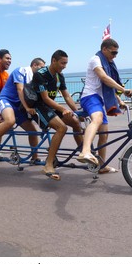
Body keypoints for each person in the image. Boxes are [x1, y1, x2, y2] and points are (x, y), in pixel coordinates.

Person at [77, 38, 132, 173]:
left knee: (104, 134)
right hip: (89, 96)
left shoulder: (108, 63)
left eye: (116, 54)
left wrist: (119, 100)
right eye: (113, 53)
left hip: (99, 99)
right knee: (97, 119)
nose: (115, 56)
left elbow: (107, 87)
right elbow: (103, 78)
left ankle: (101, 166)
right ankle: (85, 151)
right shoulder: (95, 59)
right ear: (104, 49)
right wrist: (123, 89)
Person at [0, 58, 46, 169]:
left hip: (19, 106)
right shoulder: (21, 70)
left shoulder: (36, 78)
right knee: (10, 121)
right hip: (6, 100)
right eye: (41, 67)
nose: (42, 70)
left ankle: (35, 158)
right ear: (34, 65)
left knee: (33, 131)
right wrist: (27, 108)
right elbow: (20, 89)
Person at [31, 50, 83, 181]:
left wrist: (76, 112)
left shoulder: (60, 76)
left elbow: (66, 96)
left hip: (52, 106)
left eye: (66, 63)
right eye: (62, 63)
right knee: (62, 128)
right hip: (39, 106)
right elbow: (46, 99)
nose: (64, 66)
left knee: (76, 122)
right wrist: (62, 109)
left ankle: (84, 153)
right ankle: (48, 165)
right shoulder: (40, 75)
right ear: (53, 60)